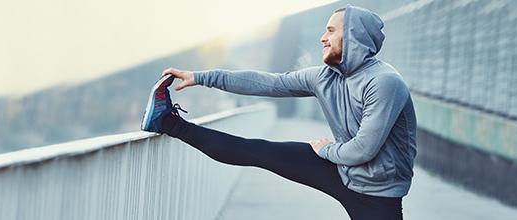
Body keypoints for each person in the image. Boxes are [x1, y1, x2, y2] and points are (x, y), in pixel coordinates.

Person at [141, 5, 416, 220]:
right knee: (255, 150)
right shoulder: (325, 77)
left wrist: (326, 151)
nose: (323, 38)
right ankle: (167, 121)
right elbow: (268, 83)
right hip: (342, 169)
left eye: (331, 31)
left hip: (378, 193)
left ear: (355, 35)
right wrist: (200, 76)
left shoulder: (384, 82)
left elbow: (363, 150)